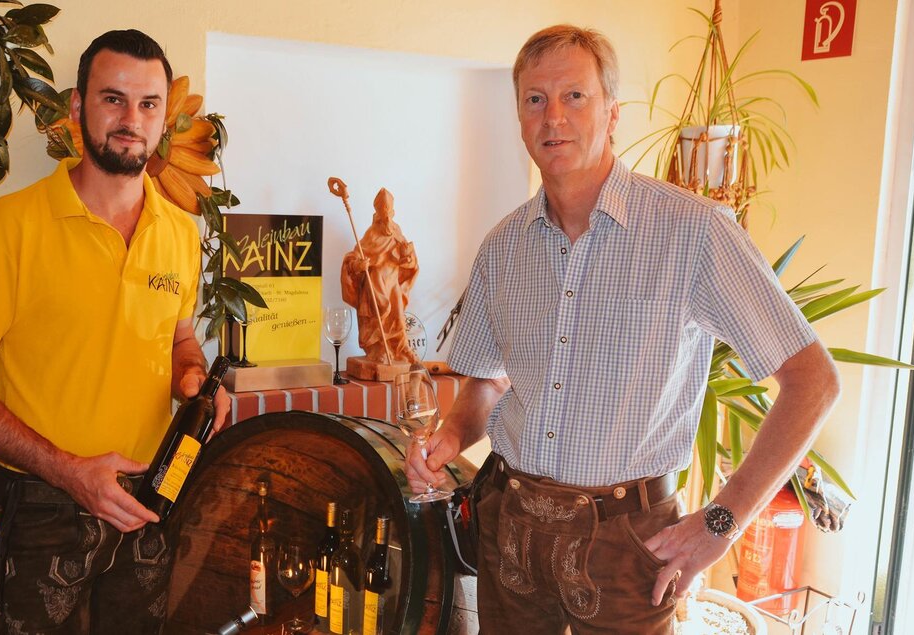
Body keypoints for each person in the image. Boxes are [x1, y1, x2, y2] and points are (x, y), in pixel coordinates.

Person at [406, 24, 840, 634]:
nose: (553, 116)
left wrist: (725, 520)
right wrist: (451, 436)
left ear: (613, 113)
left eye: (574, 96)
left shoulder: (696, 233)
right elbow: (486, 383)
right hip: (512, 536)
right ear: (520, 117)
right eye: (535, 99)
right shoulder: (503, 246)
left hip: (629, 547)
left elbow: (813, 380)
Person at [0, 29, 229, 634]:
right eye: (112, 99)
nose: (130, 119)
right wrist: (68, 471)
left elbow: (177, 339)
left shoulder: (180, 233)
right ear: (76, 107)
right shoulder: (9, 228)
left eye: (148, 104)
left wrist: (194, 379)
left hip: (148, 503)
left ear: (166, 119)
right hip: (40, 508)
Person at [340, 188, 420, 363]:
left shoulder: (397, 230)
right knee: (379, 314)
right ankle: (379, 349)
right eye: (383, 211)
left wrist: (407, 257)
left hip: (392, 282)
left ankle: (401, 348)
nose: (387, 217)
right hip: (376, 284)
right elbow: (354, 258)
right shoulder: (372, 233)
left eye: (389, 211)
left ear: (393, 211)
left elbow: (408, 260)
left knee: (397, 315)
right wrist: (358, 265)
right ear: (377, 211)